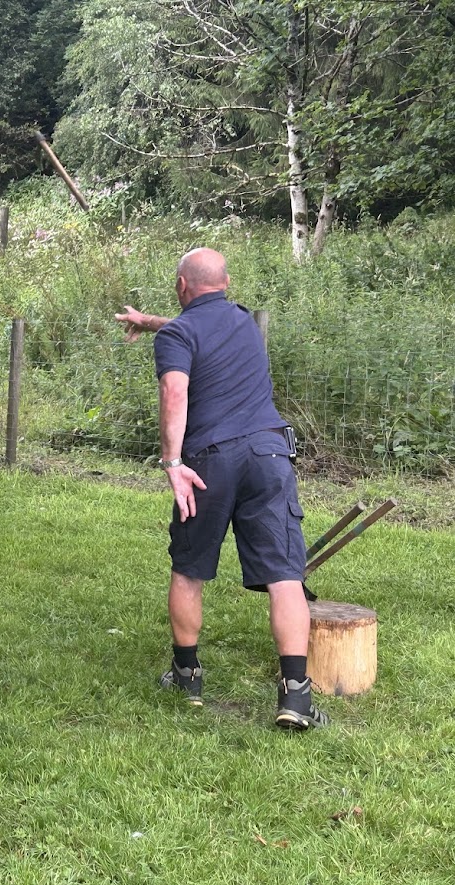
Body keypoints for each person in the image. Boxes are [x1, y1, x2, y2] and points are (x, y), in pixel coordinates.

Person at [115, 247, 329, 730]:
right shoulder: (242, 323)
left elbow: (175, 389)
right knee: (284, 574)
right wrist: (151, 322)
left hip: (209, 463)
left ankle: (187, 676)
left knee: (189, 568)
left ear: (181, 285)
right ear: (226, 283)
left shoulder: (179, 334)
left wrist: (172, 462)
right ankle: (295, 697)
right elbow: (193, 328)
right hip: (270, 458)